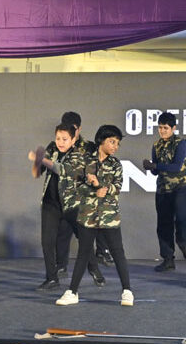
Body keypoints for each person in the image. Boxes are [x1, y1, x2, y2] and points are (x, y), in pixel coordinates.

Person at [55, 125, 133, 306]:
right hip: (88, 215)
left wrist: (99, 185)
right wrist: (92, 188)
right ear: (101, 141)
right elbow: (78, 187)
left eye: (117, 143)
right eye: (112, 142)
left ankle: (127, 291)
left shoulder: (116, 164)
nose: (115, 146)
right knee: (84, 252)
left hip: (109, 216)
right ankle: (72, 292)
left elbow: (117, 187)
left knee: (117, 252)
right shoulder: (85, 161)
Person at [29, 122, 100, 291]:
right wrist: (37, 163)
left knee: (83, 238)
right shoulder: (52, 150)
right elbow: (36, 173)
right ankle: (51, 278)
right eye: (58, 138)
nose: (60, 142)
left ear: (73, 140)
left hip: (71, 204)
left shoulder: (78, 155)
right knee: (47, 242)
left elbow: (61, 169)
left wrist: (41, 159)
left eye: (64, 139)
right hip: (50, 203)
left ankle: (94, 268)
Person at [50, 112, 106, 286]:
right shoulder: (55, 147)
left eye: (72, 129)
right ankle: (61, 266)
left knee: (84, 236)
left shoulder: (88, 147)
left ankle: (94, 268)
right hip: (60, 198)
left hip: (81, 199)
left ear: (78, 129)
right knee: (62, 233)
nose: (63, 139)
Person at [144, 112, 186, 272]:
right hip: (163, 189)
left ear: (173, 128)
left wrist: (155, 166)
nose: (162, 131)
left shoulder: (180, 143)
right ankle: (168, 259)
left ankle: (183, 242)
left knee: (182, 217)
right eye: (160, 127)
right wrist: (150, 166)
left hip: (180, 187)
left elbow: (176, 167)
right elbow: (156, 171)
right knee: (164, 225)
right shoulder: (156, 145)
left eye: (165, 128)